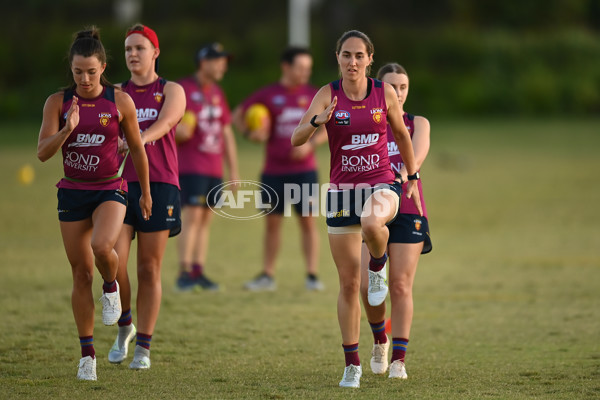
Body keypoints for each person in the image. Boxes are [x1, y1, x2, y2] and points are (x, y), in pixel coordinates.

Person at [291, 30, 423, 388]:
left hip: (382, 184)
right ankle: (352, 364)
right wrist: (320, 120)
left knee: (372, 221)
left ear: (369, 59)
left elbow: (402, 136)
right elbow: (297, 137)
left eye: (359, 56)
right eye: (346, 55)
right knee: (349, 284)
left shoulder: (385, 94)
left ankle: (377, 265)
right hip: (341, 192)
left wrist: (411, 174)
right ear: (338, 57)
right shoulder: (327, 94)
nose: (352, 62)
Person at [37, 26, 151, 381]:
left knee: (103, 247)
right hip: (71, 191)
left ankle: (111, 287)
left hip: (110, 188)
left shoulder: (119, 102)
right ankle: (87, 355)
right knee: (80, 273)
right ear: (70, 71)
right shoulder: (57, 103)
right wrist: (66, 130)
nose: (84, 79)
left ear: (103, 66)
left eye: (90, 71)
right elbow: (42, 153)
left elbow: (136, 148)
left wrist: (145, 192)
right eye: (77, 72)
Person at [108, 24, 186, 370]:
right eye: (128, 49)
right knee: (114, 260)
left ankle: (144, 347)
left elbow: (168, 123)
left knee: (148, 268)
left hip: (161, 183)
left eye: (140, 47)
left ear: (155, 52)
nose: (133, 54)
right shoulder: (114, 94)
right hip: (119, 185)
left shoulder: (171, 90)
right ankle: (125, 323)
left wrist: (136, 138)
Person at [232, 47, 326, 292]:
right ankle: (267, 275)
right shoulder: (268, 94)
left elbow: (329, 125)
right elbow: (237, 115)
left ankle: (312, 276)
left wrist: (311, 145)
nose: (306, 72)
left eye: (309, 68)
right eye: (301, 67)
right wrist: (250, 133)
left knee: (307, 222)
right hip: (273, 171)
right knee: (272, 224)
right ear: (286, 67)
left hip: (304, 170)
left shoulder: (314, 95)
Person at [360, 63, 432, 380]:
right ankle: (380, 340)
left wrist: (400, 177)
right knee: (366, 287)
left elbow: (415, 156)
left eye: (403, 87)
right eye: (392, 87)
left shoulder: (418, 123)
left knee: (400, 285)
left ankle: (399, 360)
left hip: (407, 208)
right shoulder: (369, 121)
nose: (398, 93)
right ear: (380, 88)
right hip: (370, 209)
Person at [175, 42, 240, 291]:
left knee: (205, 221)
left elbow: (227, 132)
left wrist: (233, 169)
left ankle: (198, 270)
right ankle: (183, 271)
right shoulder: (183, 89)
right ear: (204, 62)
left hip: (214, 168)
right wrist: (181, 131)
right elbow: (172, 128)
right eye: (218, 60)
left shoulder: (217, 92)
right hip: (191, 166)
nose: (223, 65)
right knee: (192, 218)